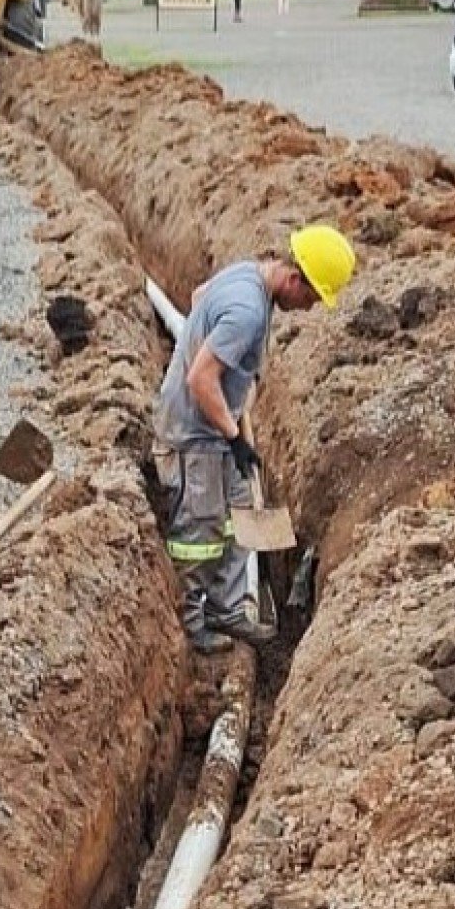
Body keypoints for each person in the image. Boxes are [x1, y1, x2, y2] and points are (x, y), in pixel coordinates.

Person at [152, 225, 357, 654]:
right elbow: (200, 377)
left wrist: (236, 405)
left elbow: (199, 295)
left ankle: (227, 610)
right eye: (312, 298)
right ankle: (193, 624)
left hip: (217, 425)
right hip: (196, 432)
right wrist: (235, 437)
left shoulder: (248, 274)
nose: (308, 309)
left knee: (238, 512)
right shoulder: (248, 311)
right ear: (294, 280)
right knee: (199, 531)